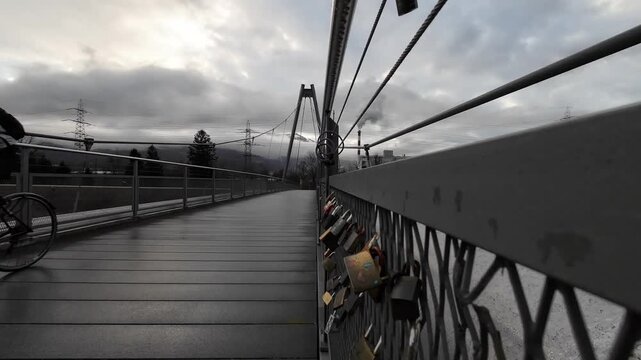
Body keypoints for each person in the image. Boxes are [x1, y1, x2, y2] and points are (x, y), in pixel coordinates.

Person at [0, 107, 25, 179]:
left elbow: (20, 132)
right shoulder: (3, 114)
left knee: (3, 175)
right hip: (7, 148)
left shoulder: (2, 115)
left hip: (5, 149)